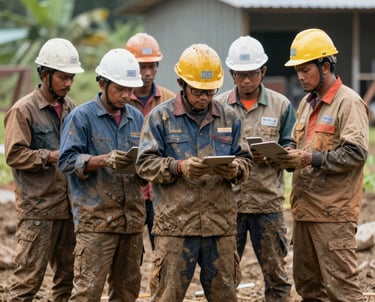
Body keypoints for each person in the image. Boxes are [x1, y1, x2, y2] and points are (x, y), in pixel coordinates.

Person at [135, 43, 253, 302]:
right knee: (167, 295)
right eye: (198, 91)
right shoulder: (160, 118)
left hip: (219, 226)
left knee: (225, 295)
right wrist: (178, 167)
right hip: (176, 226)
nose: (204, 97)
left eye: (210, 91)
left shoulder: (229, 118)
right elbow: (144, 164)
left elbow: (246, 162)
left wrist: (234, 169)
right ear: (181, 83)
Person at [278, 28, 369, 301]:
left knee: (343, 291)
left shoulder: (348, 103)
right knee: (309, 289)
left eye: (305, 70)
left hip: (333, 217)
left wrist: (311, 159)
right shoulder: (307, 104)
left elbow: (356, 153)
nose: (300, 77)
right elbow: (301, 146)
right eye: (297, 71)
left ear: (325, 66)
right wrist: (288, 154)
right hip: (305, 214)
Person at [58, 48, 146, 302]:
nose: (126, 96)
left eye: (130, 90)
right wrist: (102, 160)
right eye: (120, 89)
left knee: (127, 291)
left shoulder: (137, 118)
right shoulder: (81, 117)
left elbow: (146, 163)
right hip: (96, 222)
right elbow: (66, 161)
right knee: (88, 291)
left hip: (131, 221)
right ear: (103, 83)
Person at [216, 35, 295, 301]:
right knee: (223, 274)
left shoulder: (282, 105)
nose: (247, 80)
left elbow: (291, 149)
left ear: (262, 71)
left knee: (276, 275)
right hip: (229, 205)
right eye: (240, 75)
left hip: (267, 205)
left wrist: (275, 156)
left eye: (252, 74)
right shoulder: (219, 107)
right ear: (231, 74)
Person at [4, 38, 84, 301]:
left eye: (71, 77)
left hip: (68, 208)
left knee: (67, 280)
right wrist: (49, 156)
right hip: (38, 210)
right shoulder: (23, 110)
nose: (68, 83)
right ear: (45, 74)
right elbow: (14, 154)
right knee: (28, 280)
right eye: (63, 77)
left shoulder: (71, 108)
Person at [125, 32, 176, 250]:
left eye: (152, 66)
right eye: (141, 66)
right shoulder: (120, 99)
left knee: (164, 249)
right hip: (130, 191)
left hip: (162, 190)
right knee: (131, 256)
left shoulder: (170, 100)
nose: (147, 73)